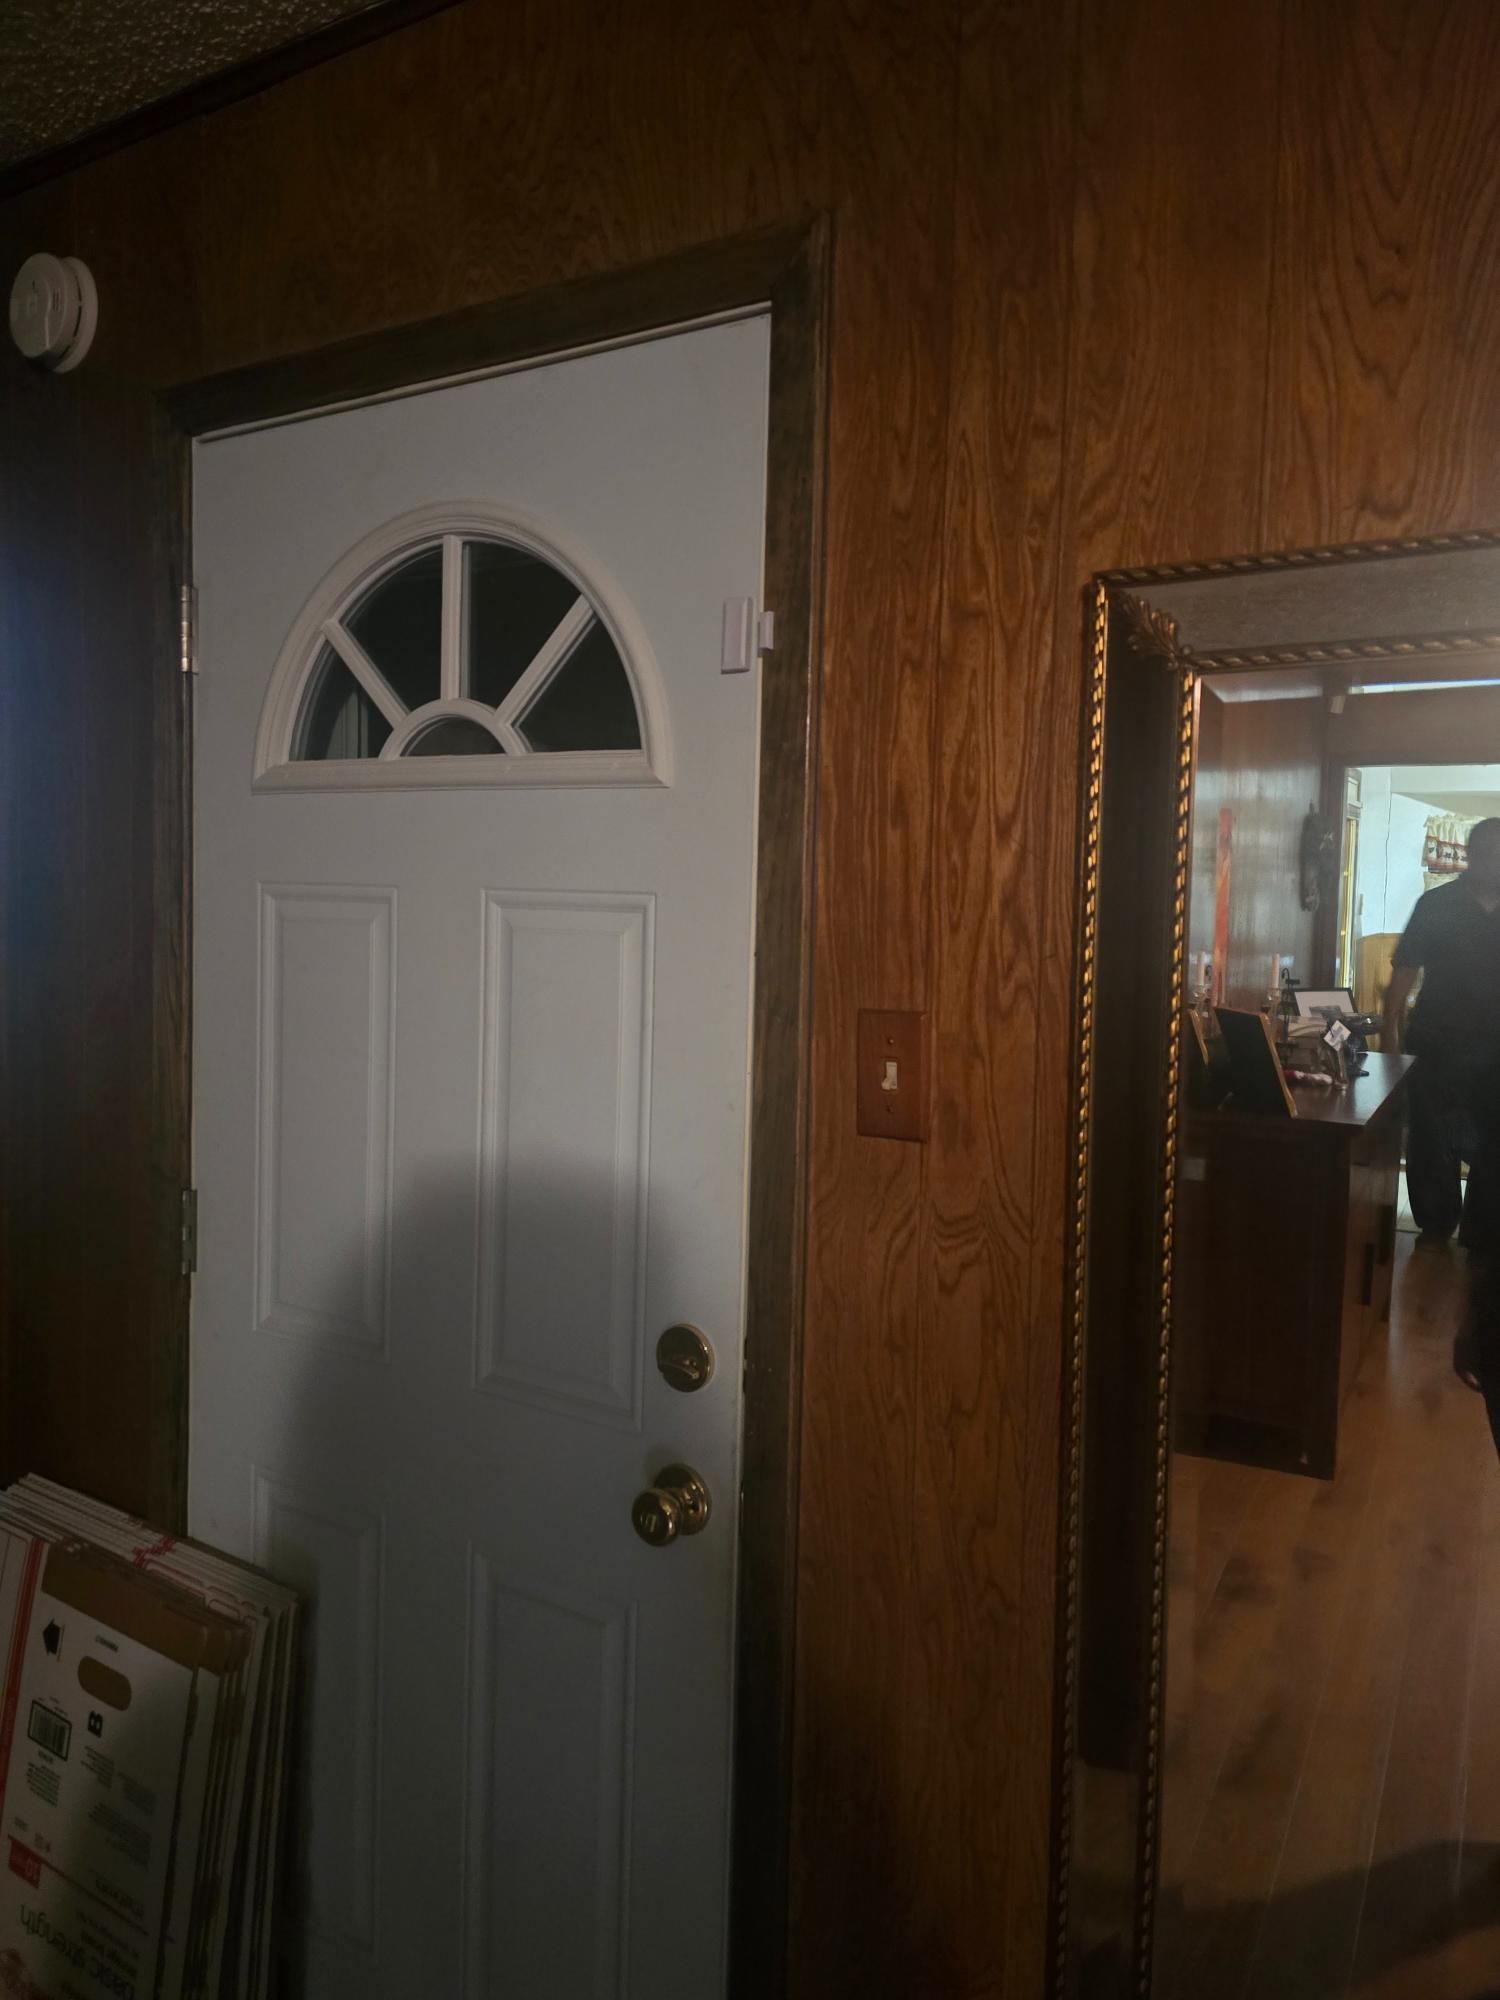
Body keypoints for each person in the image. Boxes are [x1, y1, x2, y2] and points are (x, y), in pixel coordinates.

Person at [1383, 815, 1500, 1247]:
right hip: (1435, 1039)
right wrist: (1390, 1039)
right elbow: (1403, 973)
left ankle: (1483, 1230)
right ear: (1470, 854)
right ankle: (1435, 1225)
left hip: (1496, 1047)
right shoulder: (1435, 905)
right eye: (1487, 852)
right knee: (1430, 1138)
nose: (1494, 861)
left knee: (1494, 1141)